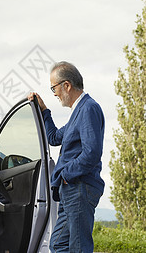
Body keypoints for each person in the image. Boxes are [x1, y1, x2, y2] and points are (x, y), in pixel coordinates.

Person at [28, 61, 105, 253]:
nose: (54, 93)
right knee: (58, 245)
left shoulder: (88, 108)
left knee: (79, 248)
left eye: (53, 87)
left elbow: (91, 153)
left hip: (79, 186)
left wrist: (64, 174)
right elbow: (54, 138)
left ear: (67, 85)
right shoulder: (76, 113)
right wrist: (44, 110)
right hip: (71, 189)